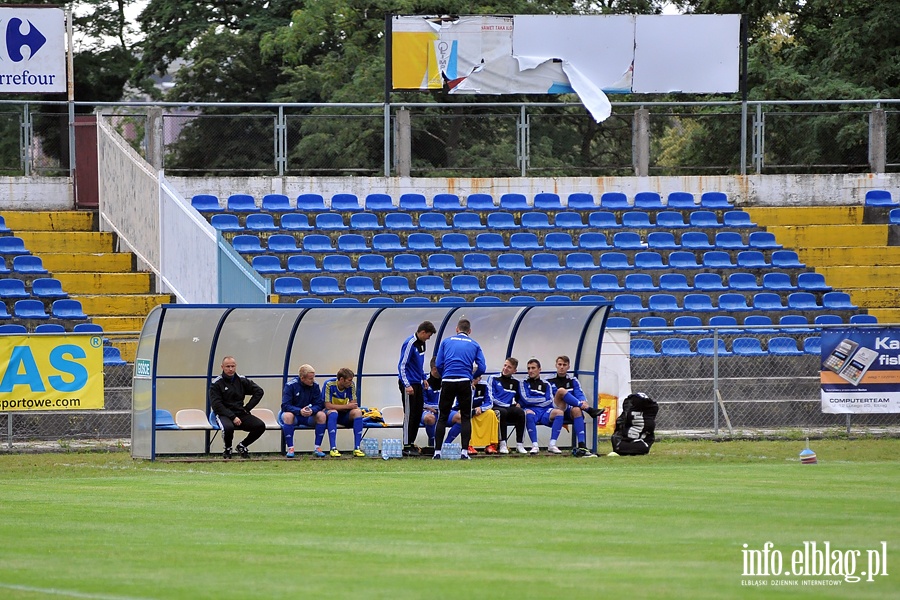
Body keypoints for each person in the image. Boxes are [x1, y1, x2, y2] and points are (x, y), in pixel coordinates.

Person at [433, 318, 486, 460]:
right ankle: (464, 452)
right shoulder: (474, 344)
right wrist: (472, 377)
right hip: (464, 381)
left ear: (457, 329)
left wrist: (445, 375)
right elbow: (482, 367)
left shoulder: (446, 341)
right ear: (469, 331)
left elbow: (438, 363)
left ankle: (437, 452)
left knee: (442, 416)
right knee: (466, 417)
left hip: (448, 380)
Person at [208, 356, 266, 459]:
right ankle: (228, 448)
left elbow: (259, 391)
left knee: (260, 426)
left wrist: (247, 408)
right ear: (222, 367)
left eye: (233, 366)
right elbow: (217, 405)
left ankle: (242, 446)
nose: (230, 369)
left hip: (240, 412)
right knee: (228, 427)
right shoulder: (216, 383)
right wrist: (233, 417)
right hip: (224, 414)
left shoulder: (241, 380)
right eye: (228, 366)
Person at [547, 355, 604, 458]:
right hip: (554, 407)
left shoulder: (573, 380)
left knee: (577, 409)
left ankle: (582, 445)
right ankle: (589, 410)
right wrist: (584, 405)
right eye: (559, 364)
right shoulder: (549, 380)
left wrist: (583, 401)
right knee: (561, 391)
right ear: (556, 365)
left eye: (564, 365)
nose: (562, 367)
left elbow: (579, 393)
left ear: (568, 367)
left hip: (569, 408)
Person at [397, 320, 437, 456]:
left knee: (417, 413)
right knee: (409, 414)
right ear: (422, 332)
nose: (429, 338)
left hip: (418, 382)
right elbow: (402, 365)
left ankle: (411, 442)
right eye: (428, 335)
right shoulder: (410, 343)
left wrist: (424, 378)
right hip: (409, 383)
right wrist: (407, 385)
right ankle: (406, 445)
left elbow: (419, 364)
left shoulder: (422, 344)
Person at [280, 364, 327, 458]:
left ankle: (317, 448)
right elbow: (285, 405)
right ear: (302, 378)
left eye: (313, 378)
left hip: (309, 416)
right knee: (287, 416)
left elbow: (319, 404)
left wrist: (312, 410)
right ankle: (290, 448)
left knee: (322, 415)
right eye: (310, 378)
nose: (313, 380)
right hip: (295, 416)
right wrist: (299, 411)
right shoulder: (290, 386)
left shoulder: (315, 386)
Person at [519, 358, 565, 455]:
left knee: (559, 412)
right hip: (531, 410)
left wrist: (535, 401)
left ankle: (552, 444)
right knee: (528, 414)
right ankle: (535, 445)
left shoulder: (546, 384)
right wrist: (541, 400)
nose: (530, 371)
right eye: (528, 368)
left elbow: (549, 400)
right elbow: (525, 399)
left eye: (533, 368)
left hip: (545, 410)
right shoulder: (523, 383)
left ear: (539, 369)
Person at [443, 376, 496, 455]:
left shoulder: (485, 385)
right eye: (472, 378)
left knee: (491, 413)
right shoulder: (462, 384)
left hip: (476, 410)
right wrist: (470, 389)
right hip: (458, 410)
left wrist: (481, 408)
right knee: (467, 415)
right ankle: (467, 445)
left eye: (475, 378)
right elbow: (458, 404)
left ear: (480, 378)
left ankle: (491, 445)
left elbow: (489, 402)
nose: (473, 380)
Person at [487, 357, 529, 454]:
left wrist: (519, 404)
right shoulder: (493, 378)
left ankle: (519, 444)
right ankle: (502, 444)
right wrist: (508, 405)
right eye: (505, 365)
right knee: (502, 412)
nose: (505, 368)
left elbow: (521, 398)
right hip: (494, 407)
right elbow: (490, 397)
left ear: (514, 371)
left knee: (521, 412)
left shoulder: (515, 383)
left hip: (507, 407)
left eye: (509, 367)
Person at [322, 367, 366, 457]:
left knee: (357, 412)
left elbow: (353, 404)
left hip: (343, 414)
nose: (350, 383)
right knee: (333, 412)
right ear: (341, 379)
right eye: (349, 380)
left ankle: (357, 448)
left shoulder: (351, 385)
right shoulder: (329, 384)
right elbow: (327, 405)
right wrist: (346, 406)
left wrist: (346, 407)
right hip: (330, 415)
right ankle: (333, 448)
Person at [421, 358, 441, 447]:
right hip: (427, 411)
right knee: (430, 418)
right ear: (434, 369)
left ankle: (446, 445)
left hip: (442, 410)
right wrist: (438, 407)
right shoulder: (424, 381)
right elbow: (422, 402)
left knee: (460, 418)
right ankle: (434, 445)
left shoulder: (446, 380)